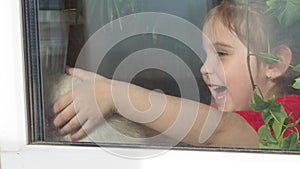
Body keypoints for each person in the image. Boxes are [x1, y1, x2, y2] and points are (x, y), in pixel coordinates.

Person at [51, 0, 300, 148]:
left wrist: (115, 94)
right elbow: (177, 133)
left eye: (221, 54)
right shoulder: (224, 109)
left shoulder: (290, 116)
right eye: (205, 56)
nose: (204, 68)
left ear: (275, 64)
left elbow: (215, 130)